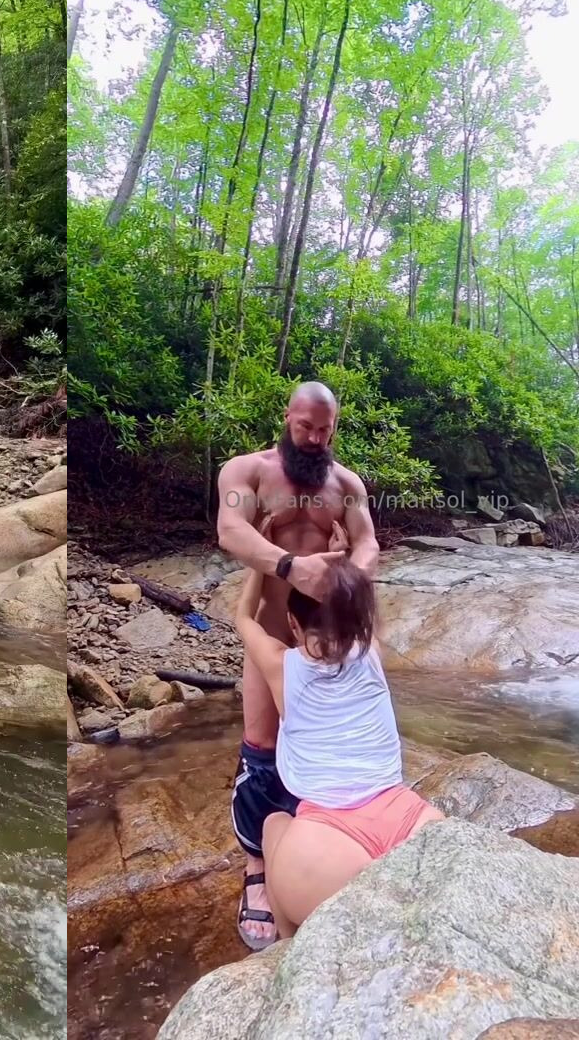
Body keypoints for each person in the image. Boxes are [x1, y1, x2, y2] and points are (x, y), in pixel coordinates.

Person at [214, 381, 381, 950]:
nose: (313, 438)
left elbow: (368, 543)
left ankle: (318, 845)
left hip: (330, 634)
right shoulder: (248, 471)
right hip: (271, 627)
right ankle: (258, 868)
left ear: (335, 426)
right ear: (287, 416)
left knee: (330, 742)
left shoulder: (346, 484)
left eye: (324, 430)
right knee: (262, 745)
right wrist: (291, 566)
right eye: (305, 426)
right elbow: (230, 530)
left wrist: (346, 578)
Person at [231, 528, 443, 938]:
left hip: (323, 846)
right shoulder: (371, 651)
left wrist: (262, 564)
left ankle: (287, 938)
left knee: (274, 821)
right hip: (408, 820)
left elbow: (244, 619)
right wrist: (340, 558)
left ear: (293, 624)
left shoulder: (280, 665)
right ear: (357, 620)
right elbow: (359, 600)